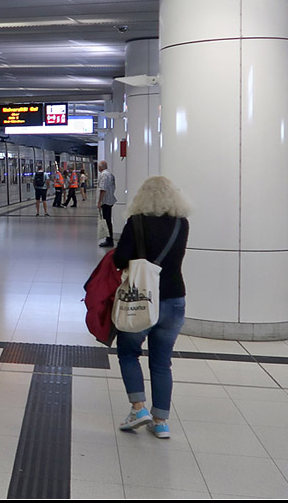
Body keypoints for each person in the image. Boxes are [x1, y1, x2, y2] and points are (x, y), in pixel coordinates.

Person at [114, 176, 191, 440]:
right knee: (161, 362)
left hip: (140, 299)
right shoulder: (182, 225)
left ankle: (138, 408)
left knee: (128, 352)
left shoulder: (136, 223)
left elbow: (119, 258)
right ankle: (160, 422)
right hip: (173, 300)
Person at [97, 161, 116, 246]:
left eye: (98, 166)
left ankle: (109, 240)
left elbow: (103, 189)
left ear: (101, 167)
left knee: (106, 220)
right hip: (110, 200)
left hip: (106, 201)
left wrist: (100, 201)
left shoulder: (104, 175)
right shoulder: (110, 174)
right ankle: (109, 239)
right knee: (108, 220)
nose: (98, 168)